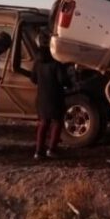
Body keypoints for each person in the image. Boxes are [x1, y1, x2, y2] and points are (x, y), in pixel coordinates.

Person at [32, 30, 67, 160]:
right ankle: (52, 149)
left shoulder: (37, 62)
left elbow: (33, 79)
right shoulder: (56, 62)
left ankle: (38, 151)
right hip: (55, 96)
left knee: (43, 123)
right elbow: (62, 80)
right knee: (57, 122)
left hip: (41, 97)